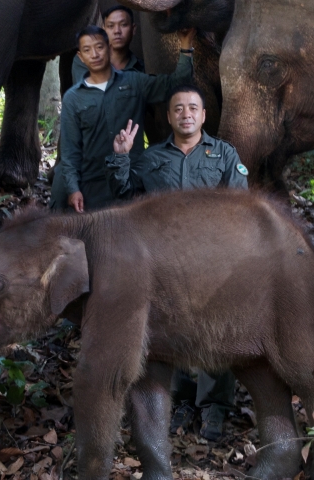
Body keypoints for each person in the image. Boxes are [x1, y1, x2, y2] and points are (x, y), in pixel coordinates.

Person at [105, 84, 246, 440]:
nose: (186, 114)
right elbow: (124, 196)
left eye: (193, 108)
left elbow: (240, 207)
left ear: (203, 115)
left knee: (215, 330)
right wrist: (121, 157)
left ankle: (214, 406)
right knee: (174, 328)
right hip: (164, 262)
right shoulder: (152, 159)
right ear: (169, 117)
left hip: (213, 260)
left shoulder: (224, 154)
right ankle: (183, 400)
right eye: (178, 109)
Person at [52, 26, 194, 213]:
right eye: (87, 50)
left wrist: (185, 47)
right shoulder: (73, 98)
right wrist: (73, 189)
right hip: (90, 182)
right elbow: (70, 150)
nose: (94, 54)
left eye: (99, 47)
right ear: (80, 56)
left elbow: (175, 84)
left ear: (109, 49)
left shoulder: (134, 82)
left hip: (128, 180)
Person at [101, 5, 145, 73]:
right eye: (110, 26)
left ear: (133, 29)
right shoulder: (90, 66)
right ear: (103, 31)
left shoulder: (143, 69)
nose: (117, 31)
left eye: (123, 25)